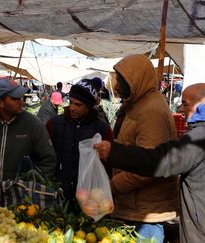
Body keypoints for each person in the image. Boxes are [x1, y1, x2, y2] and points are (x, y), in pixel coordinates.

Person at [93, 84, 205, 243]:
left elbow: (160, 160)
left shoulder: (199, 137)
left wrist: (114, 153)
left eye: (185, 104)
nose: (181, 109)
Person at [110, 54, 179, 242]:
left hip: (146, 211)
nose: (116, 87)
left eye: (121, 81)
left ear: (136, 81)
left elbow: (148, 166)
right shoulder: (136, 104)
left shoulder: (151, 111)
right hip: (135, 205)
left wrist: (113, 186)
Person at [46, 79, 113, 201]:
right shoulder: (54, 124)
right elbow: (44, 156)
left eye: (78, 105)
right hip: (56, 193)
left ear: (89, 106)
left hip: (88, 197)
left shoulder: (102, 129)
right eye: (71, 102)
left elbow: (108, 165)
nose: (72, 108)